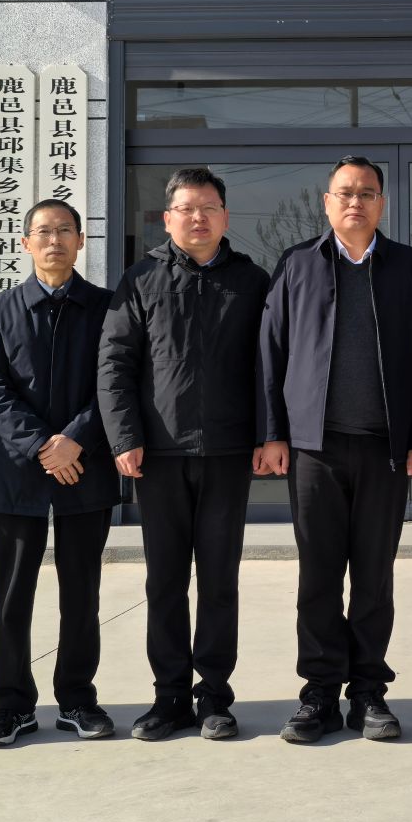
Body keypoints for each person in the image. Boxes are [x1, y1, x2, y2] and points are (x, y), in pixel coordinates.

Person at [258, 157, 412, 744]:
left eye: (367, 193)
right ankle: (318, 691)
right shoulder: (297, 264)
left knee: (373, 575)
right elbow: (271, 351)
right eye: (345, 193)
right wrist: (274, 432)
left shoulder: (411, 267)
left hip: (385, 449)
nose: (355, 203)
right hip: (314, 449)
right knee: (317, 573)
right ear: (327, 202)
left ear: (382, 203)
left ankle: (367, 691)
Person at [99, 167, 270, 743]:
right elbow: (115, 362)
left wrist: (267, 435)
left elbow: (270, 366)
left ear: (225, 216)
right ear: (167, 217)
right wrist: (124, 437)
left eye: (209, 207)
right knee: (165, 582)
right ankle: (169, 697)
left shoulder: (252, 281)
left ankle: (215, 697)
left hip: (228, 451)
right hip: (159, 455)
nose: (199, 218)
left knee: (219, 580)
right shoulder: (141, 278)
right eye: (187, 208)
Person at [0, 199, 118, 748]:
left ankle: (78, 699)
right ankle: (12, 705)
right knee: (12, 594)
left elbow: (115, 381)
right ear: (25, 243)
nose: (54, 241)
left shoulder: (107, 307)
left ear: (81, 240)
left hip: (85, 467)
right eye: (42, 232)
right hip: (16, 471)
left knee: (81, 592)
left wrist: (75, 439)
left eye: (64, 231)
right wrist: (41, 445)